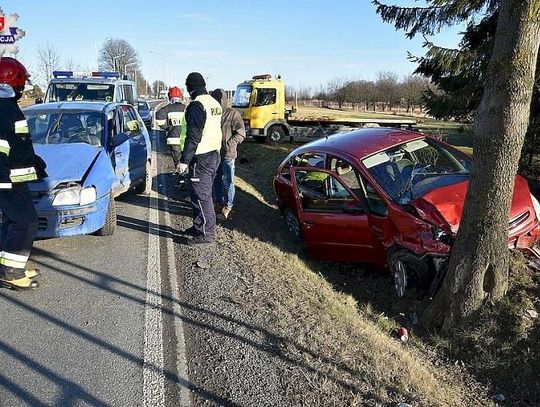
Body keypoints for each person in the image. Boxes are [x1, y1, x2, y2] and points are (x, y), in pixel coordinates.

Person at [0, 57, 47, 290]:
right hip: (6, 180)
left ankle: (8, 265)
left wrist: (33, 160)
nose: (23, 88)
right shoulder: (4, 109)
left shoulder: (8, 107)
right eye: (21, 84)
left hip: (12, 178)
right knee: (25, 221)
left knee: (11, 220)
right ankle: (11, 271)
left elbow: (16, 144)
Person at [176, 72, 222, 245]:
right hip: (213, 154)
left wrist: (184, 161)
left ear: (190, 88)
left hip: (201, 157)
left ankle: (207, 233)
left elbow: (193, 136)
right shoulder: (213, 102)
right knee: (200, 193)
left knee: (201, 195)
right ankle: (199, 226)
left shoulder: (197, 105)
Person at [210, 88, 245, 220]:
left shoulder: (233, 114)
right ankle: (219, 203)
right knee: (216, 180)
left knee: (228, 182)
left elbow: (241, 133)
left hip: (228, 155)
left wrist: (230, 144)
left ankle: (228, 206)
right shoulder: (213, 114)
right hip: (214, 154)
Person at [155, 86, 187, 185]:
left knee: (177, 161)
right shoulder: (186, 108)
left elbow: (159, 119)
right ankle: (187, 179)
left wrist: (168, 128)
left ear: (170, 97)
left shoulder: (166, 109)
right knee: (186, 160)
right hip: (186, 140)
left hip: (173, 140)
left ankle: (181, 180)